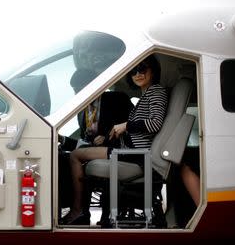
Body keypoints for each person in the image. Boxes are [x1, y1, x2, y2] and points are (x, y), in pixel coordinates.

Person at [60, 55, 168, 225]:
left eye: (143, 69)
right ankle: (81, 211)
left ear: (153, 70)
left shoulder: (154, 92)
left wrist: (124, 126)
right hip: (129, 151)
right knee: (71, 156)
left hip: (135, 154)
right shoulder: (145, 95)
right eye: (133, 70)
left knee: (75, 157)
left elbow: (154, 124)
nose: (138, 74)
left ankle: (79, 211)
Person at [58, 69, 133, 219]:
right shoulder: (82, 112)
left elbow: (133, 126)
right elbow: (85, 143)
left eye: (80, 89)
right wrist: (63, 140)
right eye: (75, 90)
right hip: (92, 152)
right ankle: (73, 210)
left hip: (118, 150)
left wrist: (107, 137)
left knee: (74, 158)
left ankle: (81, 210)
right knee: (61, 160)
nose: (77, 94)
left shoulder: (117, 99)